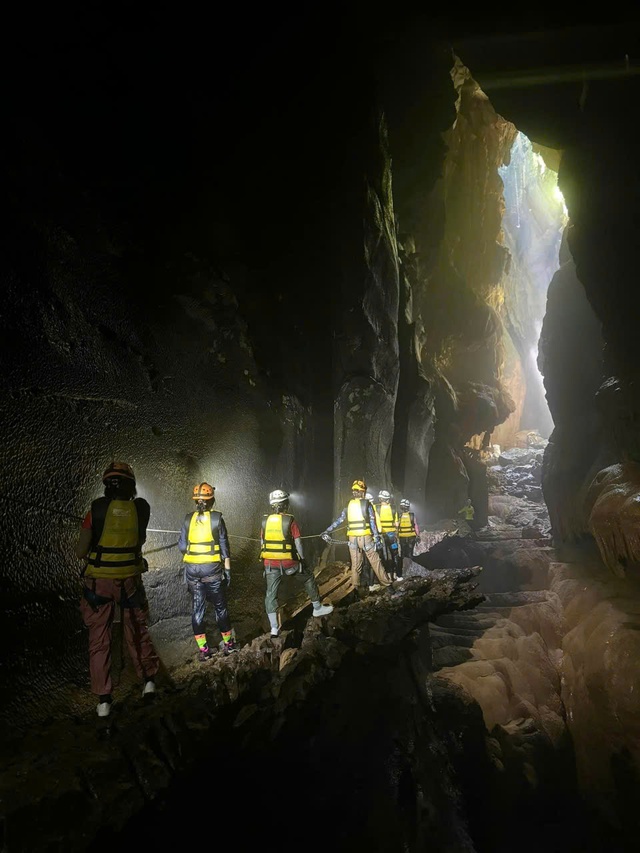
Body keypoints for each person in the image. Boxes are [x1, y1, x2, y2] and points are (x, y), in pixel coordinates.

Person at [76, 461, 160, 718]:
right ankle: (148, 683)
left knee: (100, 640)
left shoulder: (95, 510)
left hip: (98, 586)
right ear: (131, 486)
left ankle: (103, 702)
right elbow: (139, 540)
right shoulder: (141, 509)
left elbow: (81, 552)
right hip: (129, 582)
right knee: (137, 629)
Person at [260, 489, 333, 637]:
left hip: (270, 564)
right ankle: (317, 607)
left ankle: (274, 628)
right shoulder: (290, 520)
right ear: (285, 504)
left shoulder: (264, 521)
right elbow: (298, 543)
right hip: (289, 564)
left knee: (271, 595)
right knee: (308, 577)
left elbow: (262, 543)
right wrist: (302, 559)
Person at [178, 482, 238, 660]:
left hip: (192, 572)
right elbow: (225, 548)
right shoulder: (217, 518)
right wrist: (227, 571)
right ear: (212, 500)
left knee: (198, 610)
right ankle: (229, 645)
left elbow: (182, 546)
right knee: (221, 608)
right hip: (212, 571)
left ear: (196, 501)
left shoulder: (188, 518)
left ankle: (203, 651)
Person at [321, 479, 392, 591]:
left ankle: (355, 589)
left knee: (355, 565)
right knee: (375, 562)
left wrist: (327, 531)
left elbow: (339, 520)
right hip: (365, 537)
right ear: (363, 492)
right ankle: (389, 587)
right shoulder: (367, 504)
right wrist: (377, 537)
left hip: (352, 539)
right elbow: (372, 522)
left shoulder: (348, 506)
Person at [373, 489, 400, 581]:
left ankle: (387, 575)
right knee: (394, 553)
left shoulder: (376, 508)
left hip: (381, 535)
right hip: (391, 535)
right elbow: (397, 524)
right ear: (388, 499)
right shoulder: (394, 508)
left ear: (380, 499)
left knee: (383, 555)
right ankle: (395, 574)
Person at [396, 498, 420, 577]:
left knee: (403, 554)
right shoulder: (412, 515)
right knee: (410, 554)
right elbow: (415, 525)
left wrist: (396, 535)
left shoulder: (399, 515)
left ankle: (403, 572)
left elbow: (396, 526)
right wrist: (418, 535)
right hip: (411, 537)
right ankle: (411, 571)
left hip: (402, 537)